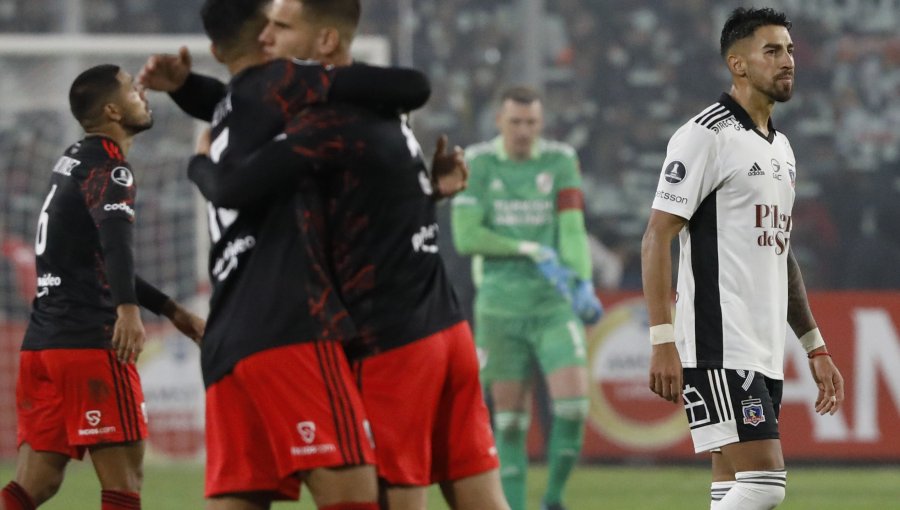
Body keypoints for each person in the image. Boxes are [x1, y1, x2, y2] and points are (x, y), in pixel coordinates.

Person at [186, 2, 508, 509]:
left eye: (282, 27)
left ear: (325, 43)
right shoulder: (386, 112)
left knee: (386, 498)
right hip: (447, 328)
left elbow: (235, 184)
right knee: (483, 498)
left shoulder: (326, 119)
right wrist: (431, 191)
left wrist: (201, 162)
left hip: (390, 339)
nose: (267, 38)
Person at [138, 1, 434, 509]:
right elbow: (413, 87)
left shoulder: (235, 108)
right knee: (358, 495)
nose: (277, 30)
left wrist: (188, 95)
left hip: (227, 337)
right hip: (292, 322)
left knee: (240, 497)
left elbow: (238, 102)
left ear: (215, 51)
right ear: (269, 40)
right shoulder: (291, 82)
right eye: (274, 22)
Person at [641, 7, 845, 510]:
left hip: (759, 346)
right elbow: (655, 237)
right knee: (763, 486)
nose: (787, 61)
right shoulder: (705, 135)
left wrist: (815, 346)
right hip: (717, 342)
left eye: (790, 50)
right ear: (738, 64)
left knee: (731, 490)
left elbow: (782, 251)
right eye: (771, 51)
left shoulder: (783, 150)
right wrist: (662, 340)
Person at [0, 64, 205, 510]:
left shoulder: (71, 160)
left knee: (34, 485)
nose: (143, 94)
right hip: (91, 344)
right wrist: (128, 311)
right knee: (124, 483)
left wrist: (171, 310)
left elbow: (94, 259)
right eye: (133, 90)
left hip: (44, 347)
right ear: (112, 109)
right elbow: (115, 244)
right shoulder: (111, 170)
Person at [450, 86, 602, 510]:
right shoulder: (477, 163)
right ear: (499, 122)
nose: (523, 131)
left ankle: (553, 498)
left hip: (552, 306)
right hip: (499, 308)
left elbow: (571, 228)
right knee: (510, 421)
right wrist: (529, 249)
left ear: (541, 123)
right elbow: (466, 237)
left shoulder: (560, 160)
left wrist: (581, 282)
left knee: (573, 406)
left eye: (531, 122)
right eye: (515, 122)